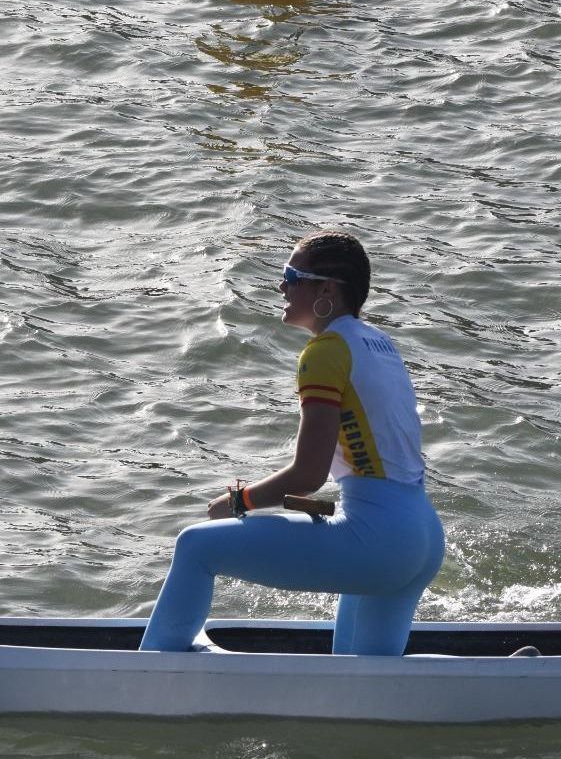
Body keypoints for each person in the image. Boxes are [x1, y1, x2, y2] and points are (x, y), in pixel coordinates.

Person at [139, 231, 444, 655]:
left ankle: (148, 672)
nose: (281, 286)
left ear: (326, 289)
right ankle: (499, 678)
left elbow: (308, 475)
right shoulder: (381, 344)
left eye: (291, 275)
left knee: (196, 546)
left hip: (378, 540)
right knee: (363, 682)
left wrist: (239, 501)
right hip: (421, 535)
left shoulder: (325, 352)